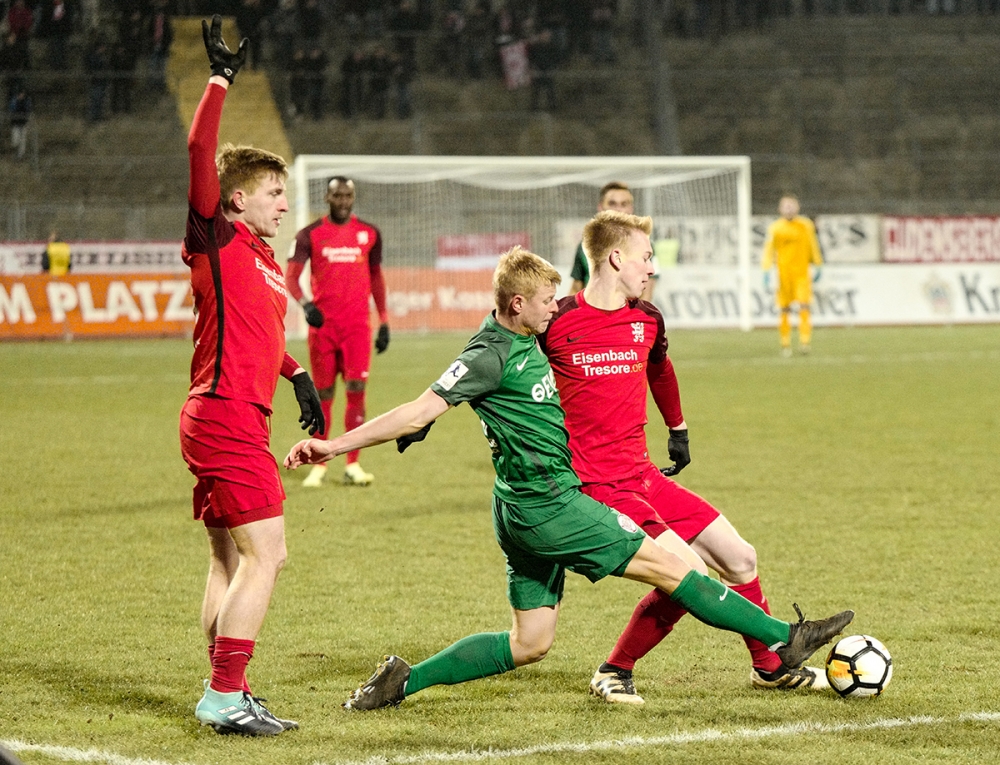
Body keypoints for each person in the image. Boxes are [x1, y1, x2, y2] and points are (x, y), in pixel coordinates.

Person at [283, 246, 854, 711]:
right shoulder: (491, 353)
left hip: (516, 508)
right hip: (551, 506)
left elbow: (447, 403)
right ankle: (782, 638)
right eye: (545, 302)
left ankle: (404, 680)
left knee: (530, 642)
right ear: (516, 303)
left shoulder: (516, 336)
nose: (554, 309)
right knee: (677, 569)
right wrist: (333, 445)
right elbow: (416, 409)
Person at [542, 210, 828, 705]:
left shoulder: (647, 318)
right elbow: (506, 366)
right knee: (687, 572)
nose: (652, 267)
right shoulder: (558, 320)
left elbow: (660, 367)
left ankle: (768, 667)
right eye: (646, 257)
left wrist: (678, 428)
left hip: (642, 475)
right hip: (596, 484)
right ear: (616, 258)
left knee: (740, 557)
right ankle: (614, 669)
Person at [179, 15, 324, 737]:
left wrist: (296, 373)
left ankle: (227, 687)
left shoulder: (264, 261)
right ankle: (223, 694)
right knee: (269, 555)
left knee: (229, 559)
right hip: (228, 416)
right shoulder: (216, 235)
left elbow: (257, 335)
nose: (283, 203)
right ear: (236, 198)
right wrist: (219, 78)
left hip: (226, 413)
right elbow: (199, 148)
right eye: (273, 191)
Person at [285, 177, 390, 488]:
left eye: (348, 195)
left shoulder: (370, 233)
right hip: (324, 330)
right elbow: (291, 277)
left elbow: (376, 278)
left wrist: (384, 320)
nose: (343, 201)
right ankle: (319, 465)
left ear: (353, 197)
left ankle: (353, 464)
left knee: (357, 391)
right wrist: (306, 305)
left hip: (357, 329)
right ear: (327, 198)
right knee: (324, 395)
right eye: (337, 196)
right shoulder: (309, 234)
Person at [569, 181, 658, 301]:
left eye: (624, 204)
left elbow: (646, 294)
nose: (618, 209)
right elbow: (575, 288)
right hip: (591, 310)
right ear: (600, 207)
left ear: (631, 208)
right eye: (612, 203)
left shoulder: (645, 246)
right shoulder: (585, 245)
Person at [761, 194, 823, 357]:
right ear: (780, 209)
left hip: (802, 274)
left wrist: (818, 264)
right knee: (784, 309)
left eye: (791, 205)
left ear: (798, 207)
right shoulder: (775, 228)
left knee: (804, 306)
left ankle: (804, 342)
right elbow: (769, 249)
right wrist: (766, 269)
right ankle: (785, 344)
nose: (789, 209)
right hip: (783, 274)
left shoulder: (806, 225)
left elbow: (813, 245)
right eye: (785, 206)